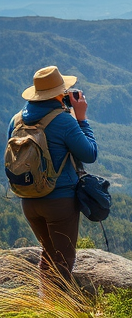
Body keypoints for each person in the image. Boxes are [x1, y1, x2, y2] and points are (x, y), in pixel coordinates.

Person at [7, 66, 97, 295]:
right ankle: (56, 307)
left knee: (48, 251)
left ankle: (43, 301)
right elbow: (89, 154)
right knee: (64, 260)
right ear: (59, 94)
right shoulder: (64, 121)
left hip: (27, 199)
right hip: (59, 201)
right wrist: (82, 119)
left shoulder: (16, 120)